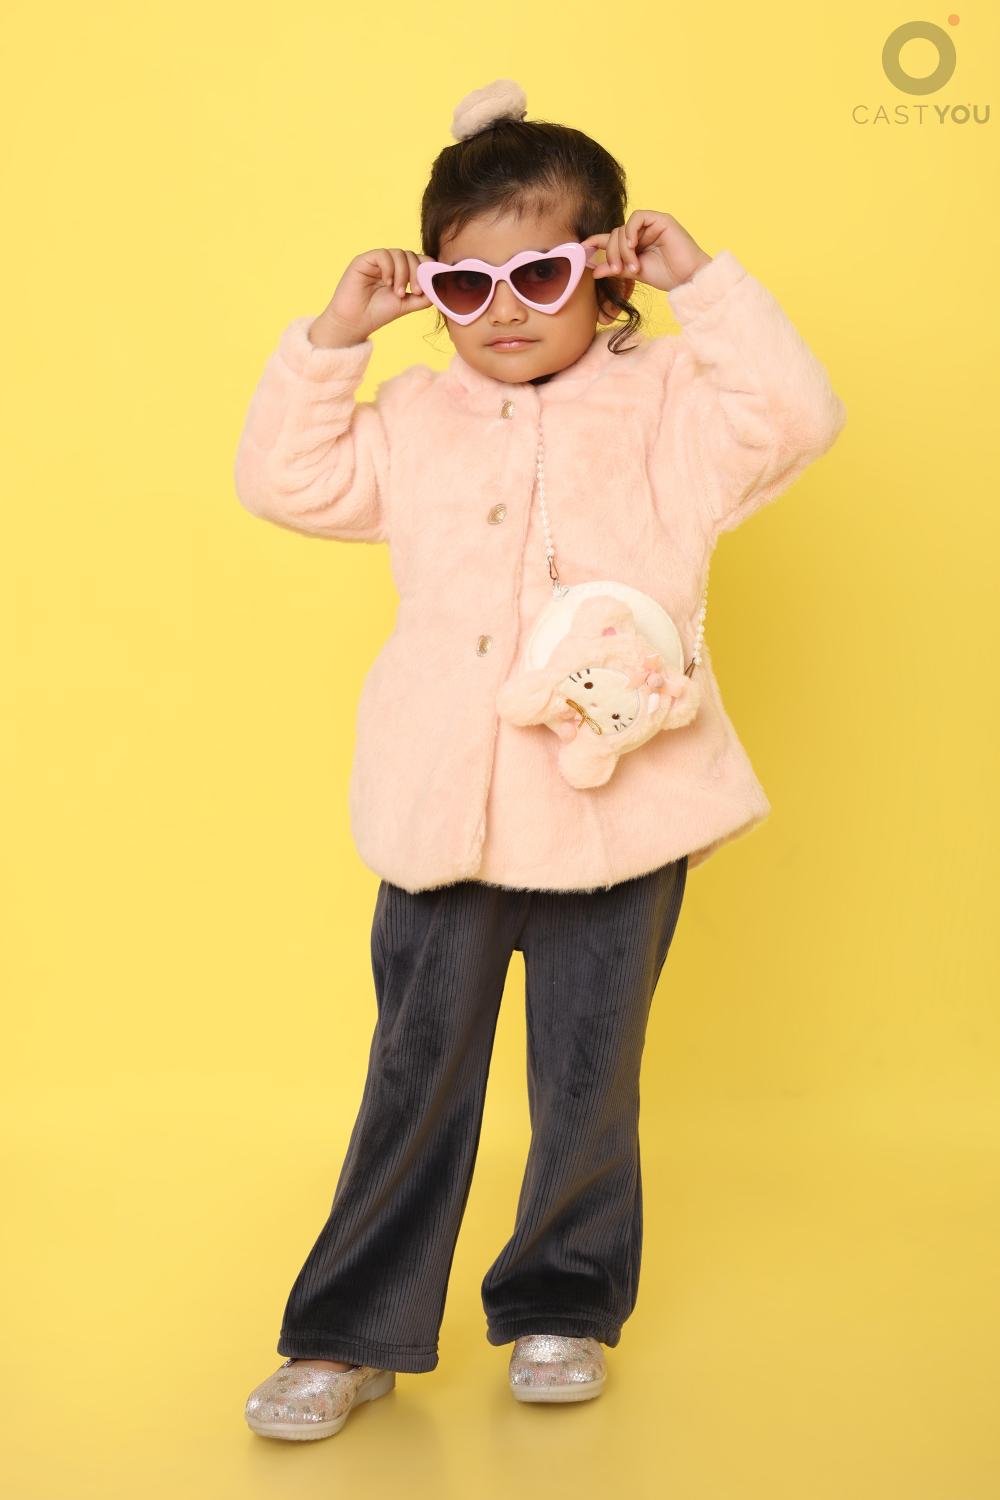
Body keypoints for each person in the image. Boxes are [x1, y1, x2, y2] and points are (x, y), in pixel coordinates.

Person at [236, 78, 847, 1441]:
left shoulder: (674, 404)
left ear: (606, 273)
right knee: (413, 1079)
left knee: (588, 1077)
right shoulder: (412, 420)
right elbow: (284, 480)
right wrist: (335, 339)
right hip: (442, 813)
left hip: (624, 811)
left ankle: (562, 1301)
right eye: (467, 287)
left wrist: (707, 285)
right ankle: (347, 1333)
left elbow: (798, 418)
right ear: (433, 296)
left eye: (542, 275)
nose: (504, 310)